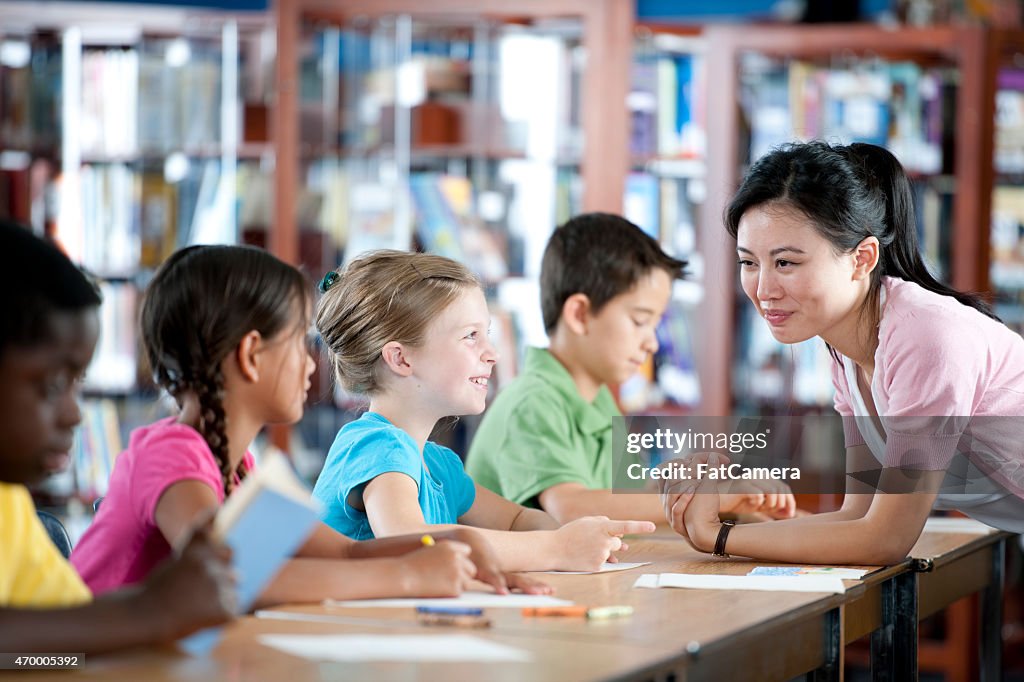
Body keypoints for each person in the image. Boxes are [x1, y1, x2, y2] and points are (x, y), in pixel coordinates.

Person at [71, 244, 544, 602]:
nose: (312, 365)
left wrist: (458, 552)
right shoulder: (171, 454)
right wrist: (406, 574)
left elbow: (343, 551)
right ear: (251, 355)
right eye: (299, 343)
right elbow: (230, 577)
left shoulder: (239, 468)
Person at [666, 141, 1024, 565]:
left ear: (862, 259)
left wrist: (718, 538)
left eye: (785, 263)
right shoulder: (848, 348)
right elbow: (857, 516)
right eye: (749, 263)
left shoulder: (925, 337)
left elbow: (884, 541)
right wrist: (720, 523)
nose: (763, 291)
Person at [312, 250, 656, 571]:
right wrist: (557, 549)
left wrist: (572, 535)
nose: (492, 353)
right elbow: (412, 544)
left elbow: (517, 520)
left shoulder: (438, 465)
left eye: (487, 334)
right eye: (470, 336)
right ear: (401, 358)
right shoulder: (375, 446)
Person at [465, 212, 797, 524]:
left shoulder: (596, 400)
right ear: (579, 314)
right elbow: (572, 507)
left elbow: (629, 500)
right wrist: (716, 499)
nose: (651, 343)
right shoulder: (532, 402)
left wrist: (717, 500)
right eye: (640, 321)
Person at [0, 220, 237, 652]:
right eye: (52, 385)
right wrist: (150, 612)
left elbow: (42, 660)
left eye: (77, 383)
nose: (74, 414)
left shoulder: (8, 502)